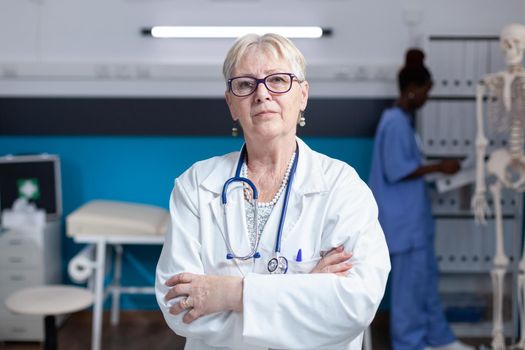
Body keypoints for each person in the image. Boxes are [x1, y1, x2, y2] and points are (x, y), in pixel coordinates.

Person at [155, 33, 390, 350]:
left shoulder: (341, 187)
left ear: (303, 95)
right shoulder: (197, 186)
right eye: (245, 84)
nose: (262, 94)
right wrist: (307, 291)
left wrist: (229, 294)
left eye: (278, 80)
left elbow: (354, 306)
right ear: (231, 104)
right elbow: (179, 308)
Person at [368, 49, 474, 350]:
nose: (427, 99)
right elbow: (397, 169)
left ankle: (439, 339)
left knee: (425, 283)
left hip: (414, 222)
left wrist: (437, 165)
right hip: (403, 224)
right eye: (426, 93)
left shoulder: (403, 121)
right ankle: (409, 343)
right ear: (412, 91)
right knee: (408, 291)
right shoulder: (394, 122)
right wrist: (441, 166)